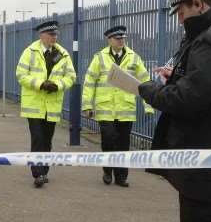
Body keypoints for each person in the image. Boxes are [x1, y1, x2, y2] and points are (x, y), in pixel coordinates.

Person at [138, 0, 211, 222]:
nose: (180, 20)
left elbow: (188, 101)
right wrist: (180, 78)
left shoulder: (210, 41)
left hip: (208, 174)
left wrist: (149, 89)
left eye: (181, 12)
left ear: (198, 4)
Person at [81, 25, 154, 187]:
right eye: (117, 38)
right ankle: (107, 171)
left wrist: (148, 106)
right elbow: (89, 82)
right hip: (105, 108)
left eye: (122, 38)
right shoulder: (99, 58)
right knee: (107, 140)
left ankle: (121, 176)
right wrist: (87, 105)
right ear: (109, 40)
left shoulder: (134, 57)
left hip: (125, 109)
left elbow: (145, 81)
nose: (121, 41)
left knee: (123, 143)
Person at [16, 20, 76, 188]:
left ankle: (44, 170)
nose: (54, 37)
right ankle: (38, 173)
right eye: (51, 35)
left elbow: (71, 77)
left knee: (47, 140)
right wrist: (40, 84)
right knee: (37, 138)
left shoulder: (62, 54)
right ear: (41, 35)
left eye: (55, 34)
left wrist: (58, 85)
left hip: (52, 106)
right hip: (34, 105)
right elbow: (21, 75)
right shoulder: (30, 52)